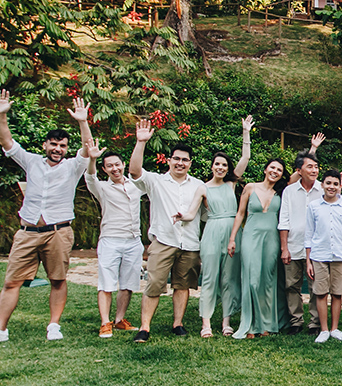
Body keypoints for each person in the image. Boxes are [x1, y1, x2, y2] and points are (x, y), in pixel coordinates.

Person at [0, 91, 93, 347]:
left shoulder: (73, 167)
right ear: (45, 145)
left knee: (58, 280)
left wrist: (83, 121)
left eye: (62, 146)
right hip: (27, 232)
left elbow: (87, 149)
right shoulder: (31, 162)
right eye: (53, 144)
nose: (57, 149)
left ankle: (54, 325)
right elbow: (5, 140)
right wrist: (1, 114)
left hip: (58, 232)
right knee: (11, 282)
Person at [127, 118, 205, 343]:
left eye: (185, 160)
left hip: (189, 243)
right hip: (163, 241)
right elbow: (134, 171)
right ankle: (144, 327)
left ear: (190, 163)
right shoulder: (155, 182)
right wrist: (141, 142)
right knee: (154, 284)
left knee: (183, 285)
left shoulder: (198, 185)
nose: (180, 163)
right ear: (169, 161)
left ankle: (177, 323)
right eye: (177, 159)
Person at [189, 116, 253, 337]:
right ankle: (206, 322)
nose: (221, 167)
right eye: (217, 164)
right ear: (212, 166)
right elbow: (192, 212)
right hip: (212, 232)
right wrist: (182, 216)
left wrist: (246, 131)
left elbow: (246, 156)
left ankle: (226, 321)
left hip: (233, 233)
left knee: (229, 278)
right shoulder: (202, 187)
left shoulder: (231, 184)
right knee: (209, 277)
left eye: (224, 165)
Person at [83, 140, 144, 337]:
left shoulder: (136, 186)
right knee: (106, 283)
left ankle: (119, 320)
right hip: (111, 239)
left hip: (134, 240)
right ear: (105, 169)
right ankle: (105, 322)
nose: (114, 168)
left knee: (128, 283)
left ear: (123, 164)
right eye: (109, 166)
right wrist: (92, 158)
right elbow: (90, 176)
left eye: (117, 164)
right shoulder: (101, 187)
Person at [227, 159, 286, 339]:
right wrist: (232, 239)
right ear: (265, 169)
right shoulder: (250, 187)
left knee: (268, 281)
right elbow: (240, 214)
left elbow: (302, 171)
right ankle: (251, 324)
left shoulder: (281, 192)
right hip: (251, 237)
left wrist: (313, 148)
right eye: (272, 167)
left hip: (272, 239)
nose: (275, 171)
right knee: (252, 280)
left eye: (279, 170)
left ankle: (267, 324)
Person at [305, 170, 342, 342]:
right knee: (320, 293)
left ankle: (334, 328)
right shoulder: (314, 206)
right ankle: (324, 330)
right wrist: (308, 261)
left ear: (340, 185)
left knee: (337, 293)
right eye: (328, 183)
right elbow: (309, 235)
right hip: (319, 255)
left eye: (335, 184)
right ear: (322, 185)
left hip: (340, 255)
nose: (331, 187)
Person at [277, 151, 323, 336]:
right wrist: (284, 248)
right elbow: (284, 220)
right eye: (309, 166)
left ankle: (315, 322)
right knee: (292, 285)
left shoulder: (323, 189)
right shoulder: (289, 191)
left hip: (317, 248)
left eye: (316, 167)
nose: (314, 170)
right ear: (299, 170)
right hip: (294, 245)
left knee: (315, 286)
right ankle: (296, 320)